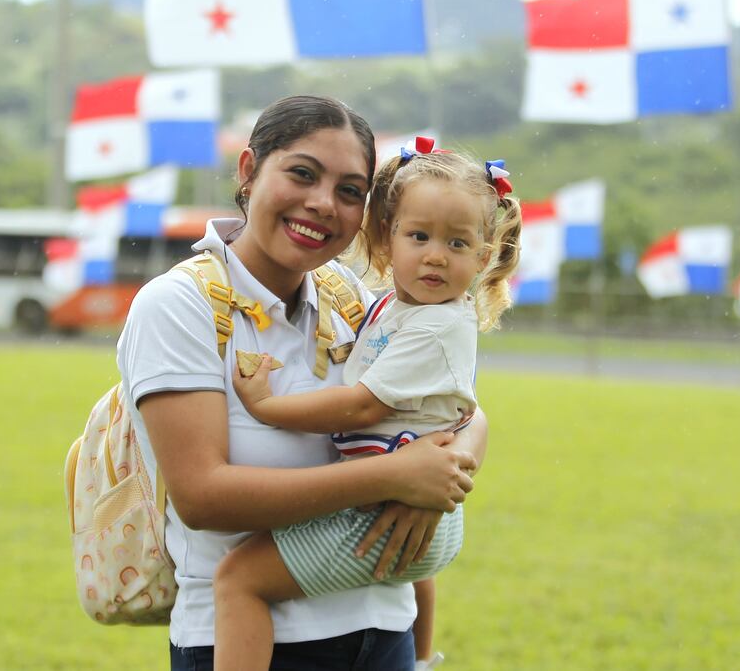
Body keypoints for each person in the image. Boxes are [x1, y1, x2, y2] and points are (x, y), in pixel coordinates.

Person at [117, 96, 488, 671]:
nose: (321, 204)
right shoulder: (179, 304)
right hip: (262, 648)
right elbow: (203, 497)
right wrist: (395, 475)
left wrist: (444, 474)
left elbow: (457, 407)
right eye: (302, 174)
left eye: (348, 191)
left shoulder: (352, 297)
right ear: (248, 171)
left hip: (383, 630)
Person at [212, 142, 522, 671]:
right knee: (412, 565)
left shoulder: (437, 324)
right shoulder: (389, 304)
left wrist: (268, 406)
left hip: (382, 507)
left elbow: (359, 408)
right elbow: (462, 413)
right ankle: (421, 659)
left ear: (484, 256)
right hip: (410, 498)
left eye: (457, 243)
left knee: (240, 579)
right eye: (418, 236)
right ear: (387, 236)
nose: (435, 255)